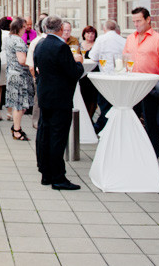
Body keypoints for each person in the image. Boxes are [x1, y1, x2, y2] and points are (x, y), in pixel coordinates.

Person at [33, 15, 84, 190]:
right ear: (61, 28)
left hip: (45, 96)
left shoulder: (40, 45)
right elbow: (73, 72)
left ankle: (45, 173)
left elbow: (38, 70)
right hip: (60, 98)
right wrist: (79, 63)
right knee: (58, 137)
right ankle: (58, 177)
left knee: (45, 135)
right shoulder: (61, 47)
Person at [123, 7, 159, 157]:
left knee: (152, 125)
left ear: (148, 19)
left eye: (139, 21)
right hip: (133, 88)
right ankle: (134, 156)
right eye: (134, 21)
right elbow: (126, 60)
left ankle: (152, 159)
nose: (136, 24)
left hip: (152, 89)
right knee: (130, 122)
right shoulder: (130, 39)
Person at [88, 20, 127, 133]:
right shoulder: (123, 40)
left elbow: (93, 56)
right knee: (116, 104)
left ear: (104, 29)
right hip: (120, 77)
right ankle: (114, 129)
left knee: (104, 105)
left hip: (105, 77)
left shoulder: (101, 39)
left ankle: (103, 129)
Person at [5, 17, 34, 140]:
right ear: (20, 27)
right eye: (24, 26)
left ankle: (16, 127)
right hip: (19, 76)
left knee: (17, 103)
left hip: (12, 73)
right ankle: (16, 130)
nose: (26, 28)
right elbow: (22, 60)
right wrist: (33, 62)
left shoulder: (9, 39)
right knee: (19, 104)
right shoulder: (19, 41)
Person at [26, 16, 48, 129]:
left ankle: (38, 122)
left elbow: (31, 65)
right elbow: (31, 65)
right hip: (41, 76)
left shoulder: (35, 42)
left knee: (39, 99)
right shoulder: (37, 42)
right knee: (38, 99)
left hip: (40, 76)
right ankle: (37, 121)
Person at [78, 25, 99, 118]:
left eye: (92, 33)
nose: (90, 35)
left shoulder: (97, 45)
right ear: (84, 34)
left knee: (93, 98)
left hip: (93, 74)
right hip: (83, 75)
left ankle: (90, 116)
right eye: (88, 33)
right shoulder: (79, 45)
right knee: (83, 96)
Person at [0, 16, 12, 121]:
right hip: (9, 61)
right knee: (10, 88)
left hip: (0, 60)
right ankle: (10, 113)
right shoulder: (10, 35)